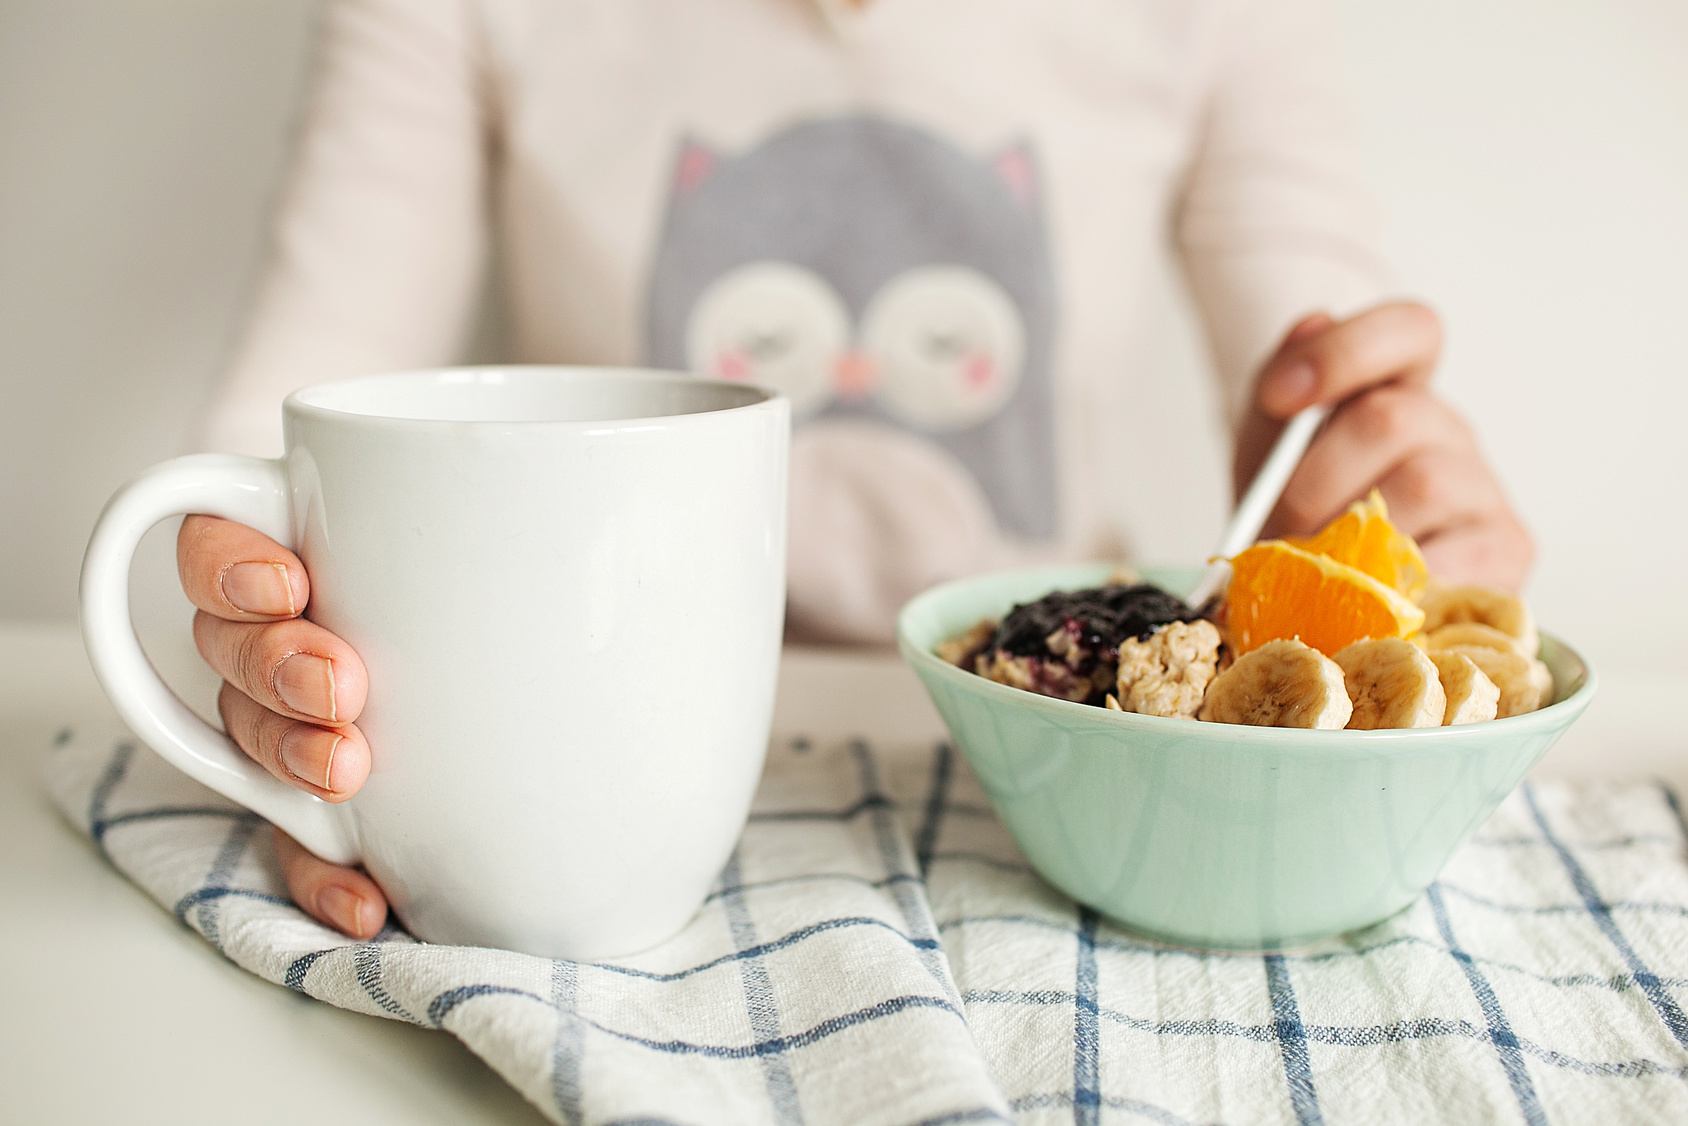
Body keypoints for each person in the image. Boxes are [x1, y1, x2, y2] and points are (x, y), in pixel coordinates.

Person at [175, 0, 1533, 939]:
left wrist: (1377, 504)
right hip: (585, 746)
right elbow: (277, 436)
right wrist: (259, 649)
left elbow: (1334, 356)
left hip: (1044, 788)